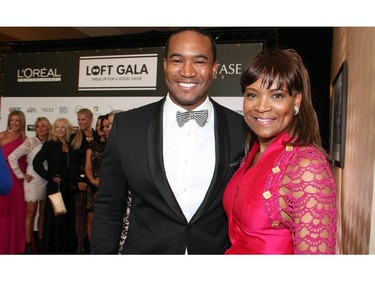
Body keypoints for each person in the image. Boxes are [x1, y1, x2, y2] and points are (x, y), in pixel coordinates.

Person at [91, 27, 248, 254]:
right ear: (165, 65)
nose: (187, 72)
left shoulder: (242, 128)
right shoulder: (126, 127)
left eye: (199, 61)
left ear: (215, 68)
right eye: (177, 60)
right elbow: (108, 207)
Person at [222, 48, 337, 254]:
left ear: (297, 100)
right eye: (252, 95)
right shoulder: (251, 154)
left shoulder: (306, 166)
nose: (261, 106)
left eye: (277, 95)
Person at [8, 117, 52, 254]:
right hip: (32, 181)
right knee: (31, 213)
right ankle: (28, 245)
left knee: (43, 213)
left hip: (47, 180)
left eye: (43, 126)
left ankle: (40, 241)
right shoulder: (31, 141)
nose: (40, 128)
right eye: (38, 126)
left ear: (48, 127)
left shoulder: (52, 142)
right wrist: (21, 175)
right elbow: (12, 157)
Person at [33, 118, 76, 254]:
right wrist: (50, 177)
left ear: (67, 128)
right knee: (57, 217)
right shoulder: (50, 144)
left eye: (63, 127)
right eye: (57, 127)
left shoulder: (70, 144)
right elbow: (36, 162)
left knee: (66, 218)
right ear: (54, 129)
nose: (60, 130)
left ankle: (65, 248)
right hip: (56, 188)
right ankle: (54, 249)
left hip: (68, 187)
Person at [69, 108, 98, 254]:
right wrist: (78, 182)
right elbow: (72, 163)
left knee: (93, 220)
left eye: (83, 119)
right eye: (79, 119)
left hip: (96, 185)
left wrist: (93, 180)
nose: (80, 122)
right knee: (79, 218)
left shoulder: (98, 136)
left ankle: (92, 248)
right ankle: (79, 248)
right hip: (80, 185)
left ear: (91, 119)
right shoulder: (74, 137)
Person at [0, 110, 27, 254]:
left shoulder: (25, 139)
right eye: (12, 120)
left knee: (18, 212)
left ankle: (17, 246)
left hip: (19, 179)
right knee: (4, 212)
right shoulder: (1, 136)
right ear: (9, 121)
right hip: (4, 177)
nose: (14, 123)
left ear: (22, 122)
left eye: (17, 120)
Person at [84, 114, 109, 243]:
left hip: (110, 187)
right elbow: (87, 167)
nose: (100, 128)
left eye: (104, 126)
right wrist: (93, 181)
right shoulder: (91, 146)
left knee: (108, 221)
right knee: (91, 220)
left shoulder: (114, 144)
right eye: (98, 125)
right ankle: (92, 250)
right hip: (93, 186)